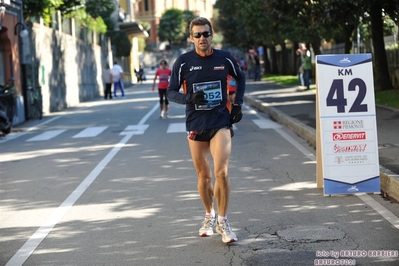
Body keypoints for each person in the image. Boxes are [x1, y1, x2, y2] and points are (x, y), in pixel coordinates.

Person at [166, 17, 245, 244]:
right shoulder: (183, 62)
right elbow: (171, 91)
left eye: (206, 34)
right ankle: (209, 215)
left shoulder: (225, 57)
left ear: (212, 35)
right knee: (204, 176)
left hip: (220, 120)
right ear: (191, 38)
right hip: (196, 123)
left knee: (221, 173)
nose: (202, 38)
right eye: (198, 35)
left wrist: (237, 103)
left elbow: (241, 77)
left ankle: (223, 221)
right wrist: (189, 98)